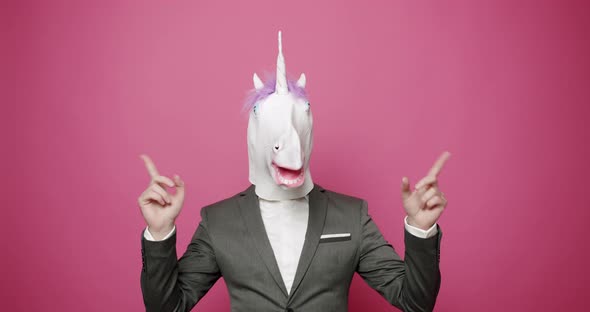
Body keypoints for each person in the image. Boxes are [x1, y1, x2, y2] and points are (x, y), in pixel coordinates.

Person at [138, 31, 450, 312]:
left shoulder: (351, 216)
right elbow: (168, 308)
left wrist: (421, 230)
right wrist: (159, 235)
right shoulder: (218, 222)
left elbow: (415, 301)